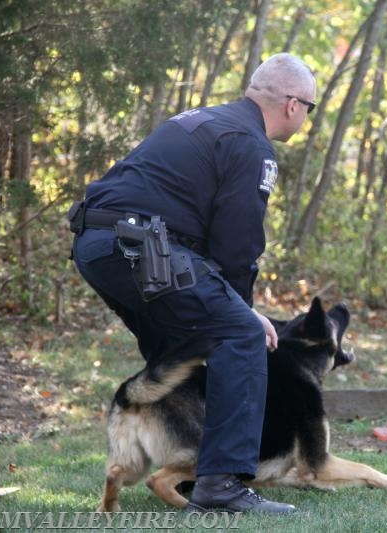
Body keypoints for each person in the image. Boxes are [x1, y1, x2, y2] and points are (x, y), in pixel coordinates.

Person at [68, 53, 316, 514]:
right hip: (141, 247)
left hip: (98, 245)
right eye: (311, 108)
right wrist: (243, 312)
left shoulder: (202, 120)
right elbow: (237, 247)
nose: (306, 117)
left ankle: (181, 462)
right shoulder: (251, 144)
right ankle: (221, 483)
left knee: (182, 345)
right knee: (239, 334)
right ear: (292, 105)